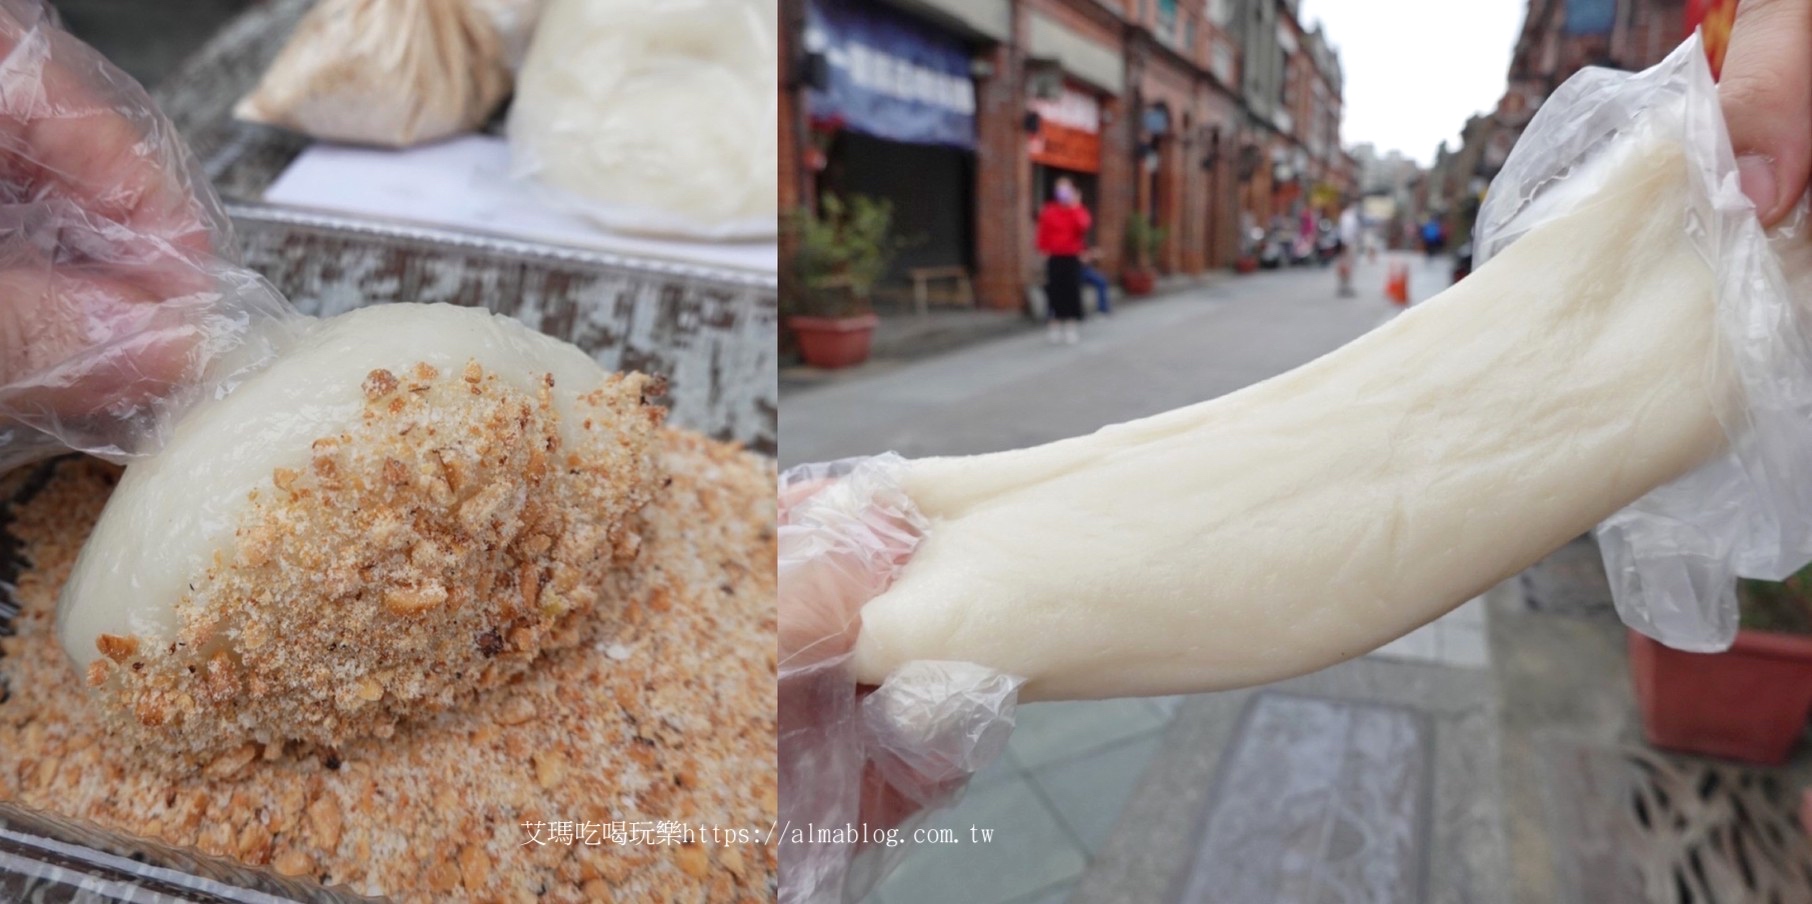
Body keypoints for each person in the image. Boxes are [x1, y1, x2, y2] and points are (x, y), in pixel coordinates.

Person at [1035, 177, 1090, 344]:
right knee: (1054, 291)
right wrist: (1042, 248)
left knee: (1072, 291)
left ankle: (1071, 327)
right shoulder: (1049, 210)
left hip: (1072, 256)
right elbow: (1042, 231)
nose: (1063, 193)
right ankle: (1054, 326)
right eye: (1060, 189)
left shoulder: (1078, 210)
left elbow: (1083, 227)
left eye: (1066, 189)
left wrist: (1075, 206)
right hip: (1054, 256)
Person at [1336, 202, 1360, 298]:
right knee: (1347, 267)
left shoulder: (1346, 216)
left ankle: (1345, 286)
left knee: (1347, 266)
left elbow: (1347, 233)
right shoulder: (1348, 216)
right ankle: (1345, 286)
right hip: (1348, 244)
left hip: (1348, 244)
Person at [1080, 247, 1111, 316]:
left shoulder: (1082, 242)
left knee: (1101, 281)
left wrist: (1091, 254)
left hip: (1086, 270)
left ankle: (1103, 309)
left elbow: (1085, 257)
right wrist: (1091, 255)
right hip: (1074, 269)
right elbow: (1082, 258)